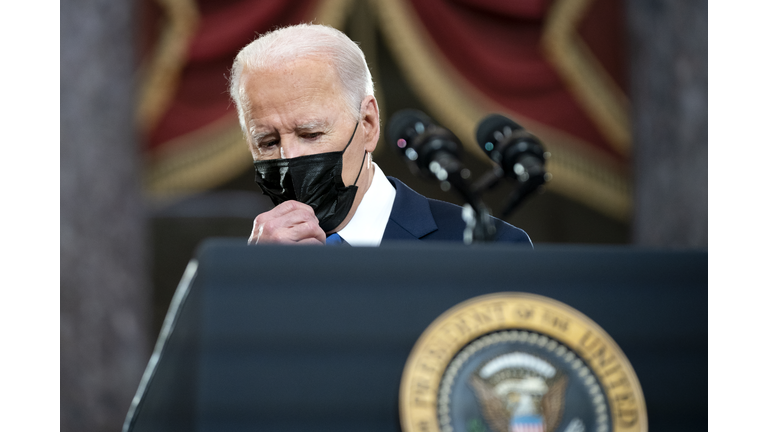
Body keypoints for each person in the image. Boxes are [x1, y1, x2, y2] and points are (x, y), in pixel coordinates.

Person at [228, 24, 531, 247]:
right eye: (268, 142)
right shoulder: (235, 276)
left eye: (310, 133)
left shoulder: (491, 248)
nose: (289, 157)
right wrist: (255, 283)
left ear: (369, 123)